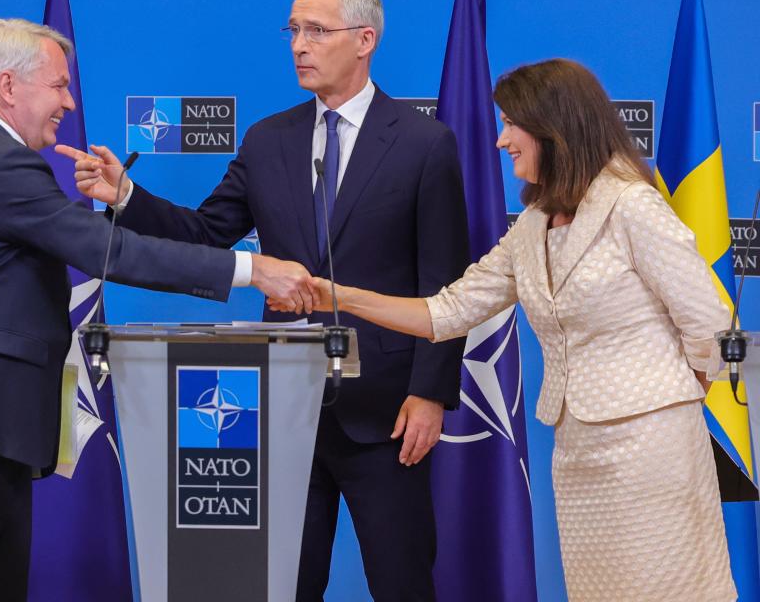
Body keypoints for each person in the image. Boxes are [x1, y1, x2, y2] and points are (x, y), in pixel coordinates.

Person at [57, 0, 469, 600]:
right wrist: (127, 196)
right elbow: (204, 233)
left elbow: (444, 282)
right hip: (282, 407)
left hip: (386, 411)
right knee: (285, 583)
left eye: (316, 30)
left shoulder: (424, 143)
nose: (299, 44)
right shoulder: (268, 138)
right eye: (294, 30)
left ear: (365, 40)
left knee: (402, 579)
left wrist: (431, 393)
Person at [0, 18, 315, 601]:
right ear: (9, 86)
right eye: (58, 85)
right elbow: (107, 249)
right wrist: (250, 270)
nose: (70, 100)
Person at [300, 58, 737, 601]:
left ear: (554, 127)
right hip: (578, 446)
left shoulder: (632, 206)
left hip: (653, 446)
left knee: (664, 588)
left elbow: (711, 322)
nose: (502, 138)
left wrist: (674, 396)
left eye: (511, 123)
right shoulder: (533, 225)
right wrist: (339, 296)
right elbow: (446, 312)